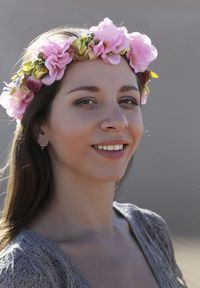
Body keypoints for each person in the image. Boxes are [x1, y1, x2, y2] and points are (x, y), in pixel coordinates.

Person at [0, 17, 187, 288]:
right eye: (86, 101)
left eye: (127, 100)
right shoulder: (25, 270)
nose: (118, 120)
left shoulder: (150, 229)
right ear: (40, 128)